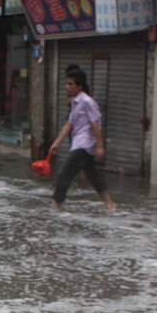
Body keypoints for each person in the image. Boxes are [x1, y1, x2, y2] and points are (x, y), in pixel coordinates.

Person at [48, 69, 116, 212]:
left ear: (79, 86)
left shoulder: (87, 102)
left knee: (65, 173)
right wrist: (57, 143)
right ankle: (110, 204)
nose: (67, 86)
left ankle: (56, 205)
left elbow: (95, 123)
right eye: (67, 83)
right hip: (79, 142)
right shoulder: (75, 102)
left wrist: (100, 145)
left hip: (85, 144)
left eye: (70, 84)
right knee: (93, 175)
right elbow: (69, 124)